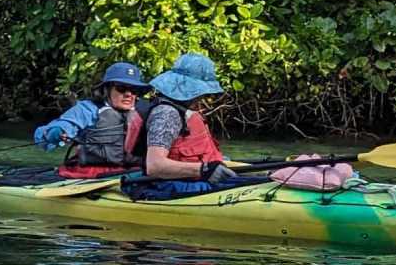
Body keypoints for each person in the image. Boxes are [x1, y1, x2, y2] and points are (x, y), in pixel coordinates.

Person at [129, 52, 248, 197]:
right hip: (169, 186)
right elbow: (154, 166)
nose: (203, 97)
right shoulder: (167, 114)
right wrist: (204, 169)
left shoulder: (182, 111)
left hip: (191, 180)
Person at [33, 61, 151, 171]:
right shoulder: (88, 109)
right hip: (91, 173)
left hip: (135, 170)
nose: (128, 94)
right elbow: (45, 134)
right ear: (106, 90)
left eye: (134, 90)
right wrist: (55, 132)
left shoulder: (146, 111)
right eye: (121, 88)